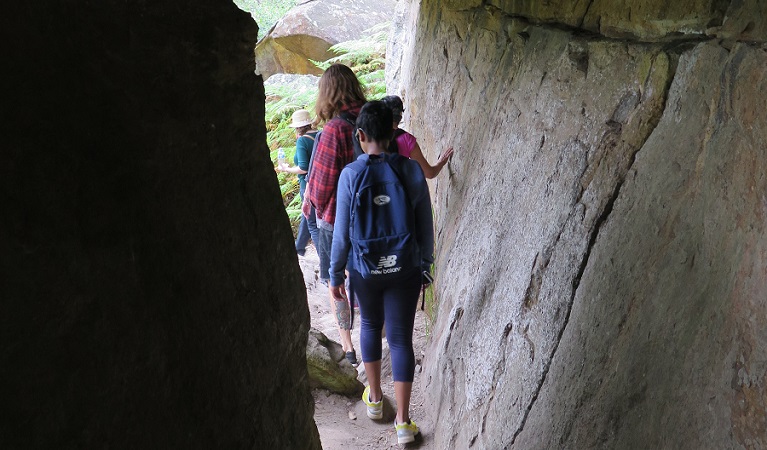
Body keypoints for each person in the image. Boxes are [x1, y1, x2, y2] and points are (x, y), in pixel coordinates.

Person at [329, 100, 434, 445]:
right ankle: (404, 423)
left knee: (371, 325)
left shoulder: (351, 175)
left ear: (360, 136)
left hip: (364, 269)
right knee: (402, 338)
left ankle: (374, 399)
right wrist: (426, 266)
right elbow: (424, 224)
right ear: (392, 133)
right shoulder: (410, 170)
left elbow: (342, 234)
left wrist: (335, 276)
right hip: (405, 267)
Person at [306, 63, 366, 366]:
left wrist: (310, 205)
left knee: (335, 279)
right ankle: (373, 327)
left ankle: (347, 344)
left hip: (336, 220)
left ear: (327, 93)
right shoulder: (373, 117)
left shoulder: (335, 129)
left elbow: (320, 189)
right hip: (373, 217)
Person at [276, 109, 319, 256]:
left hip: (306, 185)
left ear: (297, 127)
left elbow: (303, 167)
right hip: (322, 182)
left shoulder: (302, 141)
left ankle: (325, 262)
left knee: (311, 220)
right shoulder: (320, 134)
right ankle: (299, 247)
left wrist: (286, 169)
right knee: (308, 216)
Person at [381, 95, 454, 179]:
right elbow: (429, 173)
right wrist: (441, 162)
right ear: (400, 116)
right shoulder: (406, 139)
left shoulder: (372, 137)